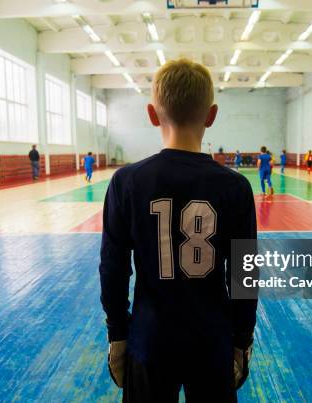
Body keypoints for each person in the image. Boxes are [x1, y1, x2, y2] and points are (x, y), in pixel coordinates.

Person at [99, 58, 258, 403]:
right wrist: (242, 339)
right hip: (211, 340)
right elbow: (244, 275)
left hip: (149, 339)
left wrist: (117, 334)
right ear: (211, 115)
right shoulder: (235, 187)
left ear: (153, 114)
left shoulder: (126, 182)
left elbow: (113, 268)